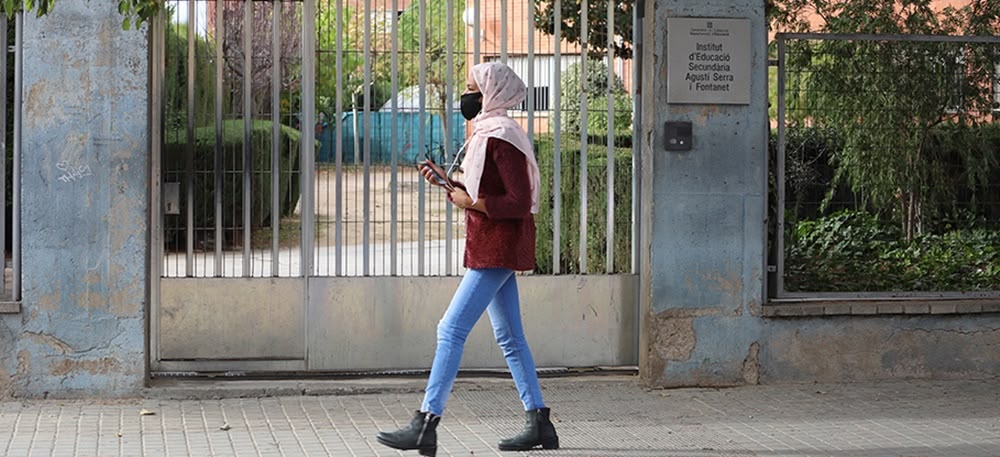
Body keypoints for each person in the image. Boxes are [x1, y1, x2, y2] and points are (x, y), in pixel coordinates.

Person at [375, 62, 559, 457]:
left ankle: (426, 424)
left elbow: (519, 202)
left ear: (491, 93)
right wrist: (449, 182)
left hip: (498, 247)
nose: (467, 95)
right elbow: (479, 193)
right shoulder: (488, 134)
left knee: (450, 329)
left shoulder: (503, 137)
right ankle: (540, 423)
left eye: (473, 88)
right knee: (510, 337)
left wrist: (472, 201)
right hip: (490, 243)